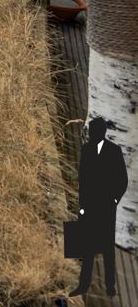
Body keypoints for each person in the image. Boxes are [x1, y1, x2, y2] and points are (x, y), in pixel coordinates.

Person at [71, 116, 127, 297]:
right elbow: (83, 179)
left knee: (108, 251)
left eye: (95, 132)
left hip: (106, 208)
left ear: (101, 132)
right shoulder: (87, 150)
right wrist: (82, 205)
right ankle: (83, 286)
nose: (92, 135)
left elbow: (122, 180)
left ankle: (110, 287)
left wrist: (114, 201)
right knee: (87, 248)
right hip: (89, 206)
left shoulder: (114, 150)